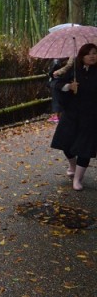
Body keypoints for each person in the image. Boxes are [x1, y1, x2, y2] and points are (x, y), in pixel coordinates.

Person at [50, 42, 97, 191]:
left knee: (85, 147)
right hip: (71, 113)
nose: (92, 56)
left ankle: (77, 179)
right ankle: (73, 166)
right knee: (65, 142)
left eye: (94, 53)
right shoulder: (73, 70)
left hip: (91, 116)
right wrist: (69, 87)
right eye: (88, 53)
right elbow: (55, 83)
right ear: (81, 56)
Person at [47, 58, 69, 122]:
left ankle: (57, 115)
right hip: (63, 79)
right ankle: (59, 115)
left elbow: (52, 72)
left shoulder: (56, 61)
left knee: (57, 97)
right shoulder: (64, 60)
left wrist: (56, 72)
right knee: (60, 97)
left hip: (58, 80)